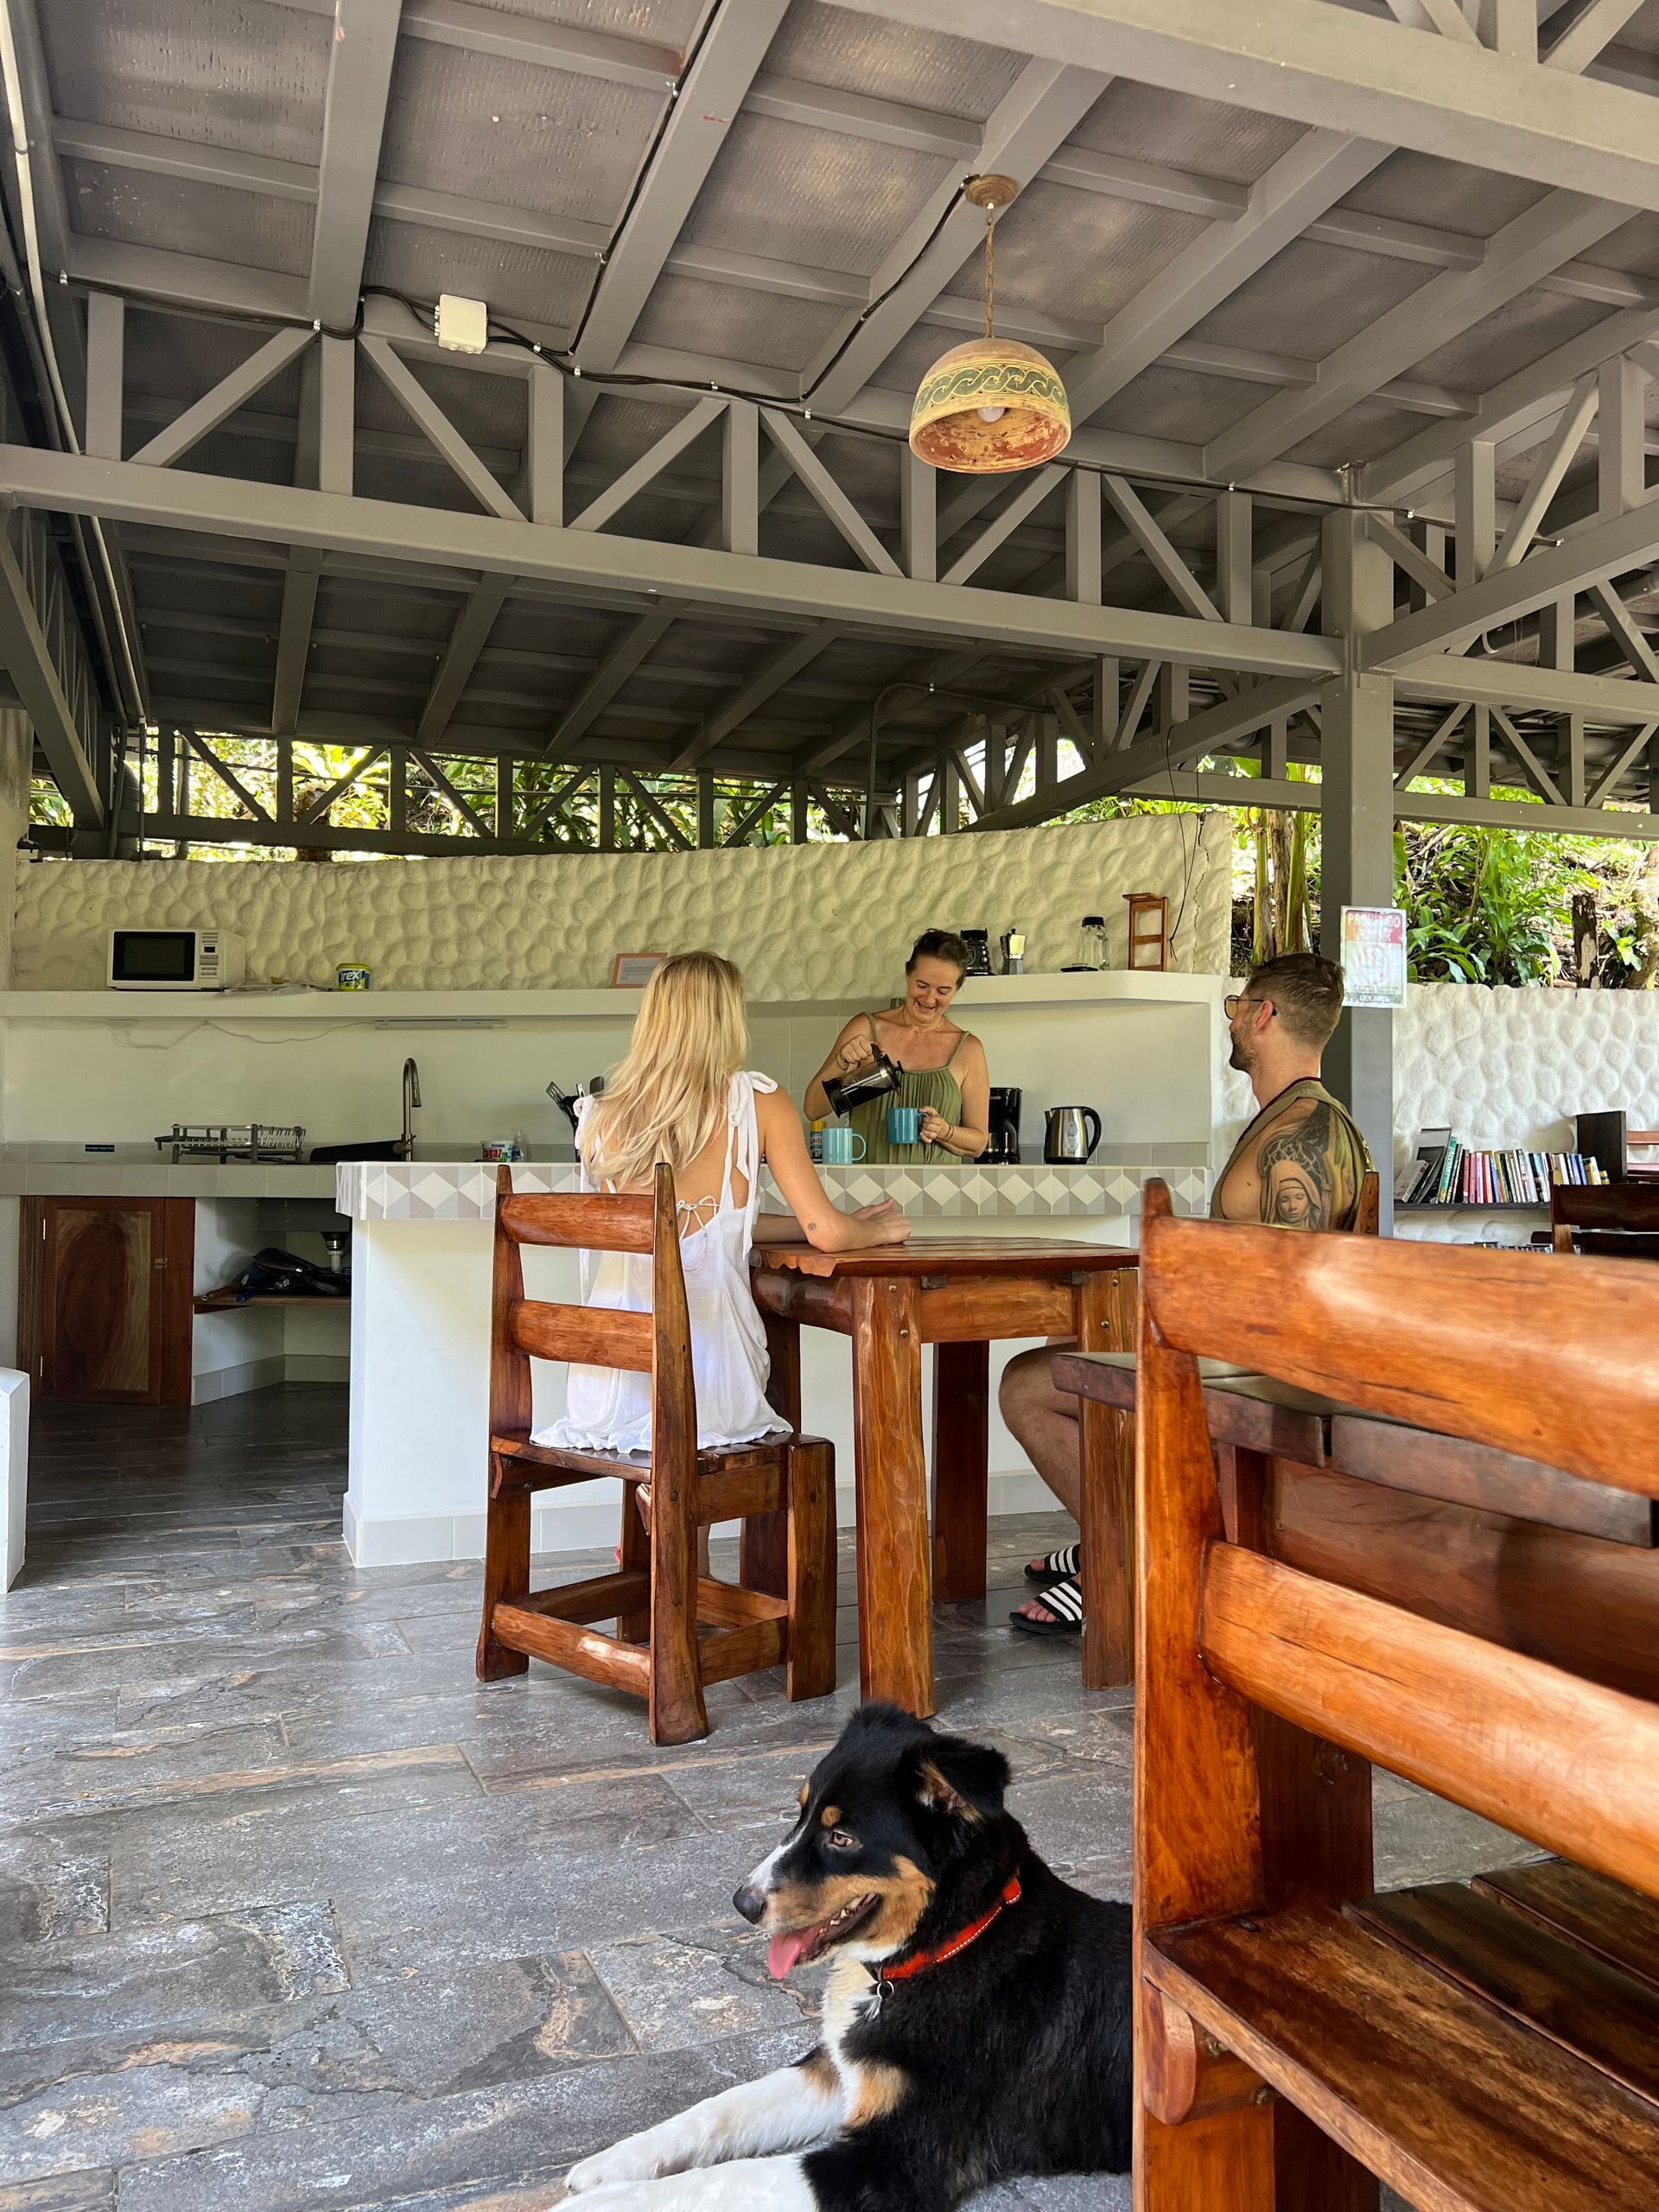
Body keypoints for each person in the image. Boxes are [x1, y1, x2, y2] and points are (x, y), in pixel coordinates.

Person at [1001, 951, 1373, 1635]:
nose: (1230, 1018)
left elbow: (1284, 1301)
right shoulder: (1297, 1121)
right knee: (1066, 1347)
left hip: (1262, 1381)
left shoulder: (1299, 1137)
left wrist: (1156, 1321)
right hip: (1245, 1358)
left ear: (1264, 1015)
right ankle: (1120, 1533)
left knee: (1027, 1385)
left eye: (1239, 1005)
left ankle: (1125, 1559)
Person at [537, 950, 910, 1459]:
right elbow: (826, 1234)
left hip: (608, 1379)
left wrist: (834, 1223)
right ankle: (679, 1534)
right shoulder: (759, 1100)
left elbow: (697, 1226)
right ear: (726, 1018)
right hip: (710, 1380)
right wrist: (876, 1231)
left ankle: (650, 1531)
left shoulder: (600, 1114)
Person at [804, 928, 990, 1166]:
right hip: (867, 1192)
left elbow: (978, 1143)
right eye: (922, 985)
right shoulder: (866, 1029)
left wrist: (945, 1131)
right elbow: (812, 1109)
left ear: (956, 989)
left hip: (939, 1197)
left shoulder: (968, 1049)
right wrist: (841, 1063)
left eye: (943, 991)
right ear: (907, 974)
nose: (929, 999)